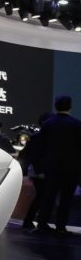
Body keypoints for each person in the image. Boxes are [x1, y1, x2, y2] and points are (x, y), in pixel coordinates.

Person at [34, 96, 81, 234]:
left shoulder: (48, 124)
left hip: (51, 166)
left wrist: (41, 167)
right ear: (70, 107)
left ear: (55, 106)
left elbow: (41, 148)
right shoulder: (77, 124)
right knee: (66, 198)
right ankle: (61, 227)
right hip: (71, 167)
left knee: (49, 196)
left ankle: (42, 224)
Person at [18, 114, 50, 229]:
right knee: (42, 196)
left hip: (39, 171)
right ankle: (30, 221)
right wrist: (40, 171)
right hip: (39, 172)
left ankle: (31, 221)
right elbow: (34, 156)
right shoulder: (39, 137)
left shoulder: (38, 136)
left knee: (42, 196)